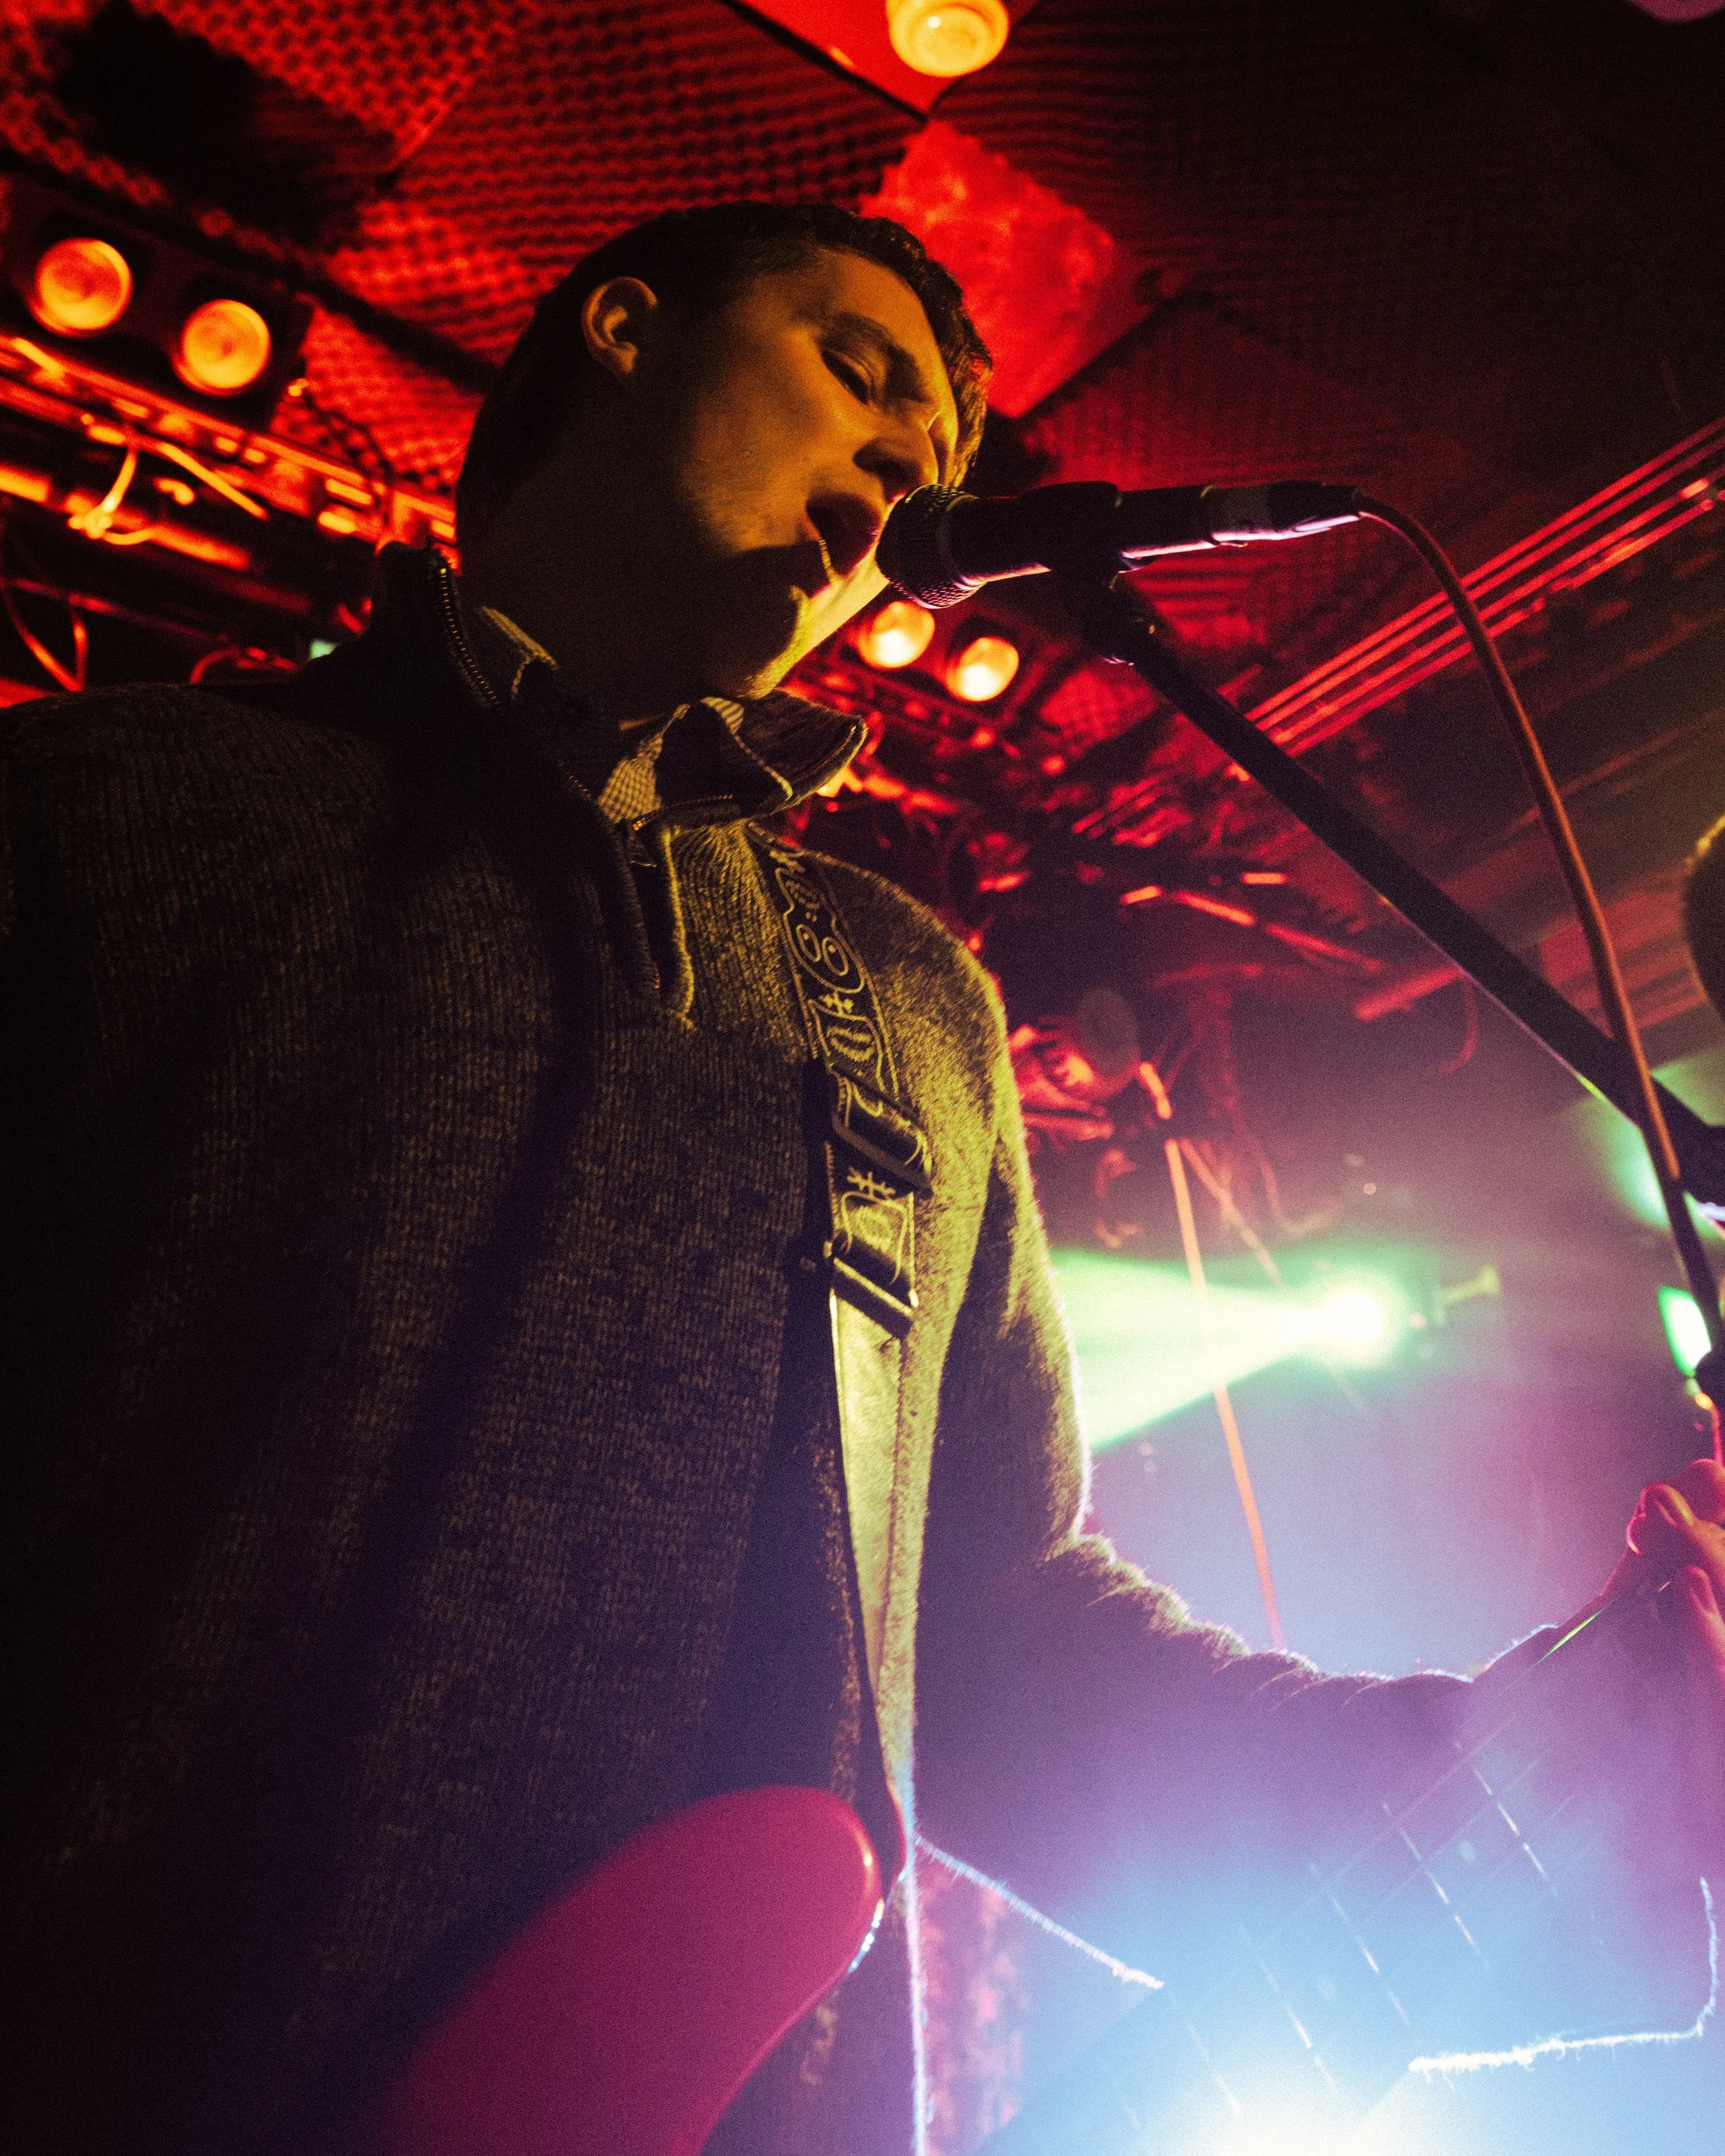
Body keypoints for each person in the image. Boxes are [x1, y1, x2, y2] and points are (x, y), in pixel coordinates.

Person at [3, 200, 1722, 2156]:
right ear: (624, 330)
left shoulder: (904, 1004)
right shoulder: (100, 812)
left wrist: (1508, 1762)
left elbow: (984, 1638)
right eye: (861, 368)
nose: (910, 459)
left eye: (945, 445)